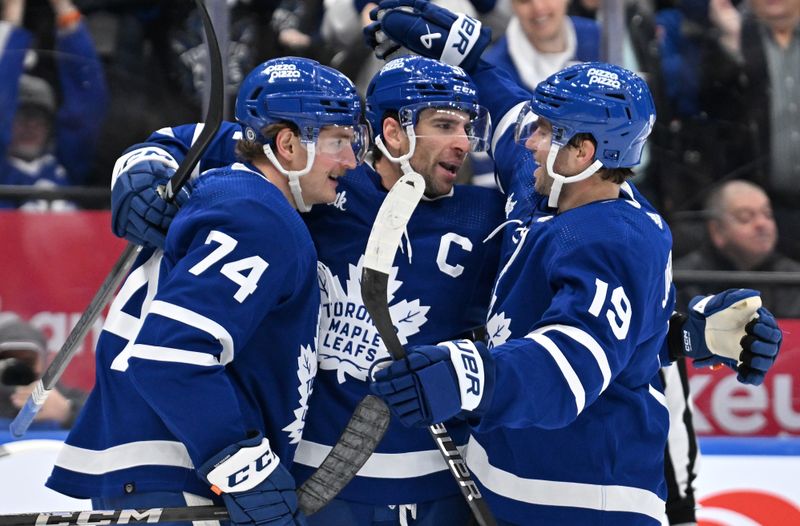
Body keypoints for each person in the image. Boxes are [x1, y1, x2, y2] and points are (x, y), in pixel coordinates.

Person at [364, 2, 782, 524]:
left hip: (585, 499)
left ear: (583, 151)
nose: (528, 139)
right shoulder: (547, 186)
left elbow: (568, 367)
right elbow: (512, 113)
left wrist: (471, 377)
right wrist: (473, 62)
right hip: (508, 478)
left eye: (546, 129)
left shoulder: (617, 238)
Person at [107, 53, 505, 526]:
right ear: (394, 132)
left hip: (438, 477)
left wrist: (477, 58)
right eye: (444, 124)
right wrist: (138, 171)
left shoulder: (487, 217)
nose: (463, 142)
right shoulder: (321, 176)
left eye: (467, 126)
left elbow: (559, 188)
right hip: (314, 477)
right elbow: (195, 143)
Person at [45, 56, 365, 525]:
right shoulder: (258, 216)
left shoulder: (229, 193)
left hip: (160, 462)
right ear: (288, 144)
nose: (351, 161)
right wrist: (244, 468)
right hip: (178, 469)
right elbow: (169, 356)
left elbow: (195, 139)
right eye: (339, 141)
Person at [0, 0, 107, 208]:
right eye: (21, 117)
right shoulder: (4, 170)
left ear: (51, 126)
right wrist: (12, 13)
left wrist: (64, 9)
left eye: (38, 117)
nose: (29, 126)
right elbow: (2, 96)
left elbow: (86, 108)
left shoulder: (66, 165)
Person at [675, 179, 800, 317]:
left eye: (767, 214)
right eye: (745, 217)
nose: (761, 223)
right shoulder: (684, 281)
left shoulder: (792, 278)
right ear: (716, 230)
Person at [0, 314, 86, 429]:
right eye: (8, 360)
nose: (17, 369)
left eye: (27, 361)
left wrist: (68, 412)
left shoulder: (67, 398)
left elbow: (108, 423)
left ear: (46, 360)